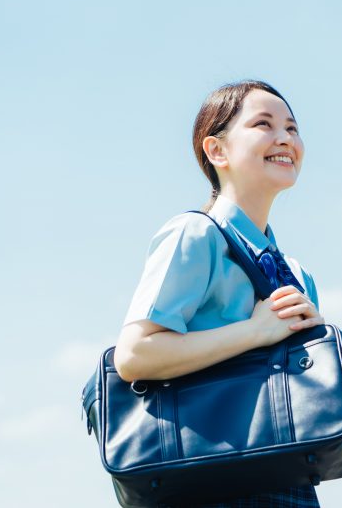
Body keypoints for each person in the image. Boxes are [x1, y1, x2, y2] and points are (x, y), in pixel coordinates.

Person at [114, 80, 324, 508]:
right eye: (263, 124)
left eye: (292, 128)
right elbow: (134, 356)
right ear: (217, 151)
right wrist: (256, 332)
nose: (285, 138)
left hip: (286, 482)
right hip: (205, 482)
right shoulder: (195, 234)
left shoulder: (297, 275)